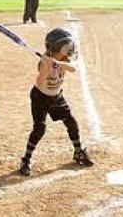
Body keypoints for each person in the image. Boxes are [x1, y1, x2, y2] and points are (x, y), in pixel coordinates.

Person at [19, 28, 94, 176]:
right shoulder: (44, 63)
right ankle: (25, 160)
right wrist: (46, 68)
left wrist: (58, 63)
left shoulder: (63, 59)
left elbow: (72, 69)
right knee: (39, 129)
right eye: (65, 46)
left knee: (71, 121)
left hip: (56, 96)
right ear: (55, 47)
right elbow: (40, 83)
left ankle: (78, 151)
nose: (69, 49)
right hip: (40, 97)